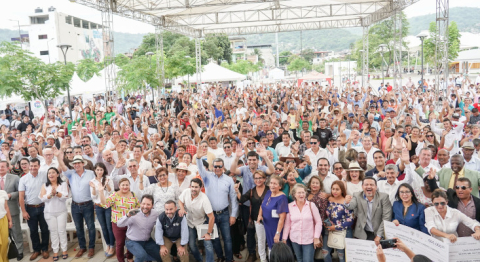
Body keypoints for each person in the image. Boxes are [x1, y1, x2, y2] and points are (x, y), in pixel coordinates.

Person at [196, 147, 238, 262]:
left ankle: (229, 259)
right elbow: (200, 168)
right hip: (211, 215)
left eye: (220, 166)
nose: (218, 168)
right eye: (215, 166)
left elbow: (233, 199)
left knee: (228, 238)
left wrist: (233, 215)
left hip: (224, 213)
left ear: (223, 167)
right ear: (212, 167)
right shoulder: (207, 176)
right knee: (214, 238)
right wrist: (198, 158)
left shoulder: (229, 180)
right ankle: (220, 257)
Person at [57, 153, 97, 258]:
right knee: (79, 228)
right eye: (75, 163)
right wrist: (58, 156)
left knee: (91, 227)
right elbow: (62, 166)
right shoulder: (70, 174)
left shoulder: (91, 173)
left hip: (88, 204)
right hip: (75, 205)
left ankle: (91, 247)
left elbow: (96, 186)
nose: (76, 165)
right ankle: (82, 247)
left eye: (78, 163)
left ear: (83, 164)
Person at [99, 178, 140, 262]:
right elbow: (105, 204)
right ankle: (121, 260)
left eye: (127, 185)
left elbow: (138, 206)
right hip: (118, 224)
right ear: (119, 186)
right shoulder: (115, 195)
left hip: (131, 223)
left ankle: (129, 257)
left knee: (131, 242)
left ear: (129, 186)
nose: (125, 187)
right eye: (123, 185)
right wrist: (100, 192)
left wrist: (134, 210)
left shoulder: (133, 194)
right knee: (120, 243)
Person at [18, 158, 50, 260]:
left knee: (45, 229)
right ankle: (36, 250)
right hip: (30, 208)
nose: (33, 168)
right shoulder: (23, 179)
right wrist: (23, 211)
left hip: (43, 207)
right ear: (28, 166)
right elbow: (21, 197)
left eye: (35, 166)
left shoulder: (44, 175)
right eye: (31, 166)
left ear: (39, 166)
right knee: (33, 230)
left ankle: (45, 249)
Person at [345, 177, 392, 245]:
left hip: (378, 232)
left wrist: (379, 235)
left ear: (376, 187)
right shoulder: (357, 195)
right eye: (366, 184)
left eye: (371, 184)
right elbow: (351, 206)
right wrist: (347, 203)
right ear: (362, 186)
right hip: (363, 233)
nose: (369, 186)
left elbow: (386, 218)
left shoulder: (384, 197)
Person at [115, 194, 162, 262]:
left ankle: (147, 258)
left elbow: (160, 225)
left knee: (161, 255)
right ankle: (145, 257)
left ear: (152, 205)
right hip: (132, 241)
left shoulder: (155, 214)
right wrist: (128, 215)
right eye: (143, 204)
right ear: (140, 204)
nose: (145, 206)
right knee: (141, 255)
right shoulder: (134, 214)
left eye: (148, 204)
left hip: (147, 241)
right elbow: (119, 224)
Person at [178, 178, 215, 262]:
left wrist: (208, 233)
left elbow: (212, 217)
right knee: (192, 245)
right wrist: (182, 208)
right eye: (192, 186)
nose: (193, 189)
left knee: (208, 244)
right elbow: (180, 201)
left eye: (196, 187)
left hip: (201, 222)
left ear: (201, 187)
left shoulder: (204, 199)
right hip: (190, 222)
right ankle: (199, 260)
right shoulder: (186, 192)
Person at [282, 184, 322, 262]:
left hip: (309, 239)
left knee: (308, 260)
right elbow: (287, 224)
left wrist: (316, 237)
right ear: (294, 194)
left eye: (303, 192)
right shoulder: (289, 206)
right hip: (294, 239)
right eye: (299, 193)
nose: (301, 195)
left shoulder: (311, 205)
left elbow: (318, 222)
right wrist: (284, 238)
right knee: (299, 260)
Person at [236, 170, 269, 262]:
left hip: (269, 219)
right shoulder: (251, 191)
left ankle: (270, 256)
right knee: (260, 239)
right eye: (256, 178)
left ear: (264, 179)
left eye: (260, 178)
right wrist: (236, 191)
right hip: (256, 219)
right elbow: (242, 199)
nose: (258, 180)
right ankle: (262, 258)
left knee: (269, 239)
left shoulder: (269, 189)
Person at [39, 167, 69, 261]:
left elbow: (65, 197)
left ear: (57, 174)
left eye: (53, 172)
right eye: (49, 173)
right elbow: (42, 198)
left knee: (61, 231)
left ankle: (64, 250)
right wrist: (51, 195)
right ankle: (55, 251)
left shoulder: (63, 184)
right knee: (53, 232)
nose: (51, 174)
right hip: (49, 212)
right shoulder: (45, 185)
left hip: (61, 211)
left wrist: (56, 193)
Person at [323, 181, 354, 262]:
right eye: (333, 189)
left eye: (337, 189)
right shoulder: (329, 199)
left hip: (343, 232)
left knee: (341, 256)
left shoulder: (346, 202)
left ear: (342, 190)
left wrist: (336, 227)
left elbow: (350, 220)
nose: (335, 191)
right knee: (325, 252)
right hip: (329, 230)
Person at [257, 175, 289, 255]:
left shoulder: (282, 198)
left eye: (275, 184)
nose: (272, 185)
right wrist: (259, 215)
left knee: (277, 249)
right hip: (267, 225)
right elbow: (262, 205)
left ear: (280, 186)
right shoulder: (269, 192)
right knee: (270, 246)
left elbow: (282, 218)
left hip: (276, 227)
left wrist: (277, 233)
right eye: (271, 183)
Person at [89, 162, 115, 258]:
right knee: (103, 227)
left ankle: (112, 246)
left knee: (109, 227)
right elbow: (93, 196)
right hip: (98, 206)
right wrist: (93, 188)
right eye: (97, 169)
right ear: (95, 170)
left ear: (104, 170)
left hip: (108, 206)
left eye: (101, 169)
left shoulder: (108, 178)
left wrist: (107, 184)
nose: (99, 171)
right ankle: (107, 244)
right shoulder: (92, 181)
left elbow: (111, 192)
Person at [0, 160, 24, 261]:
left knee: (16, 231)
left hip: (12, 209)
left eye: (3, 167)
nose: (1, 168)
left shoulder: (14, 178)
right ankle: (4, 254)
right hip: (1, 213)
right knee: (3, 236)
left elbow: (20, 192)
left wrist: (10, 195)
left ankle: (19, 251)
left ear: (7, 168)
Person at [0, 188, 13, 262]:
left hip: (3, 220)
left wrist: (10, 220)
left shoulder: (2, 193)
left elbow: (6, 207)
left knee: (5, 243)